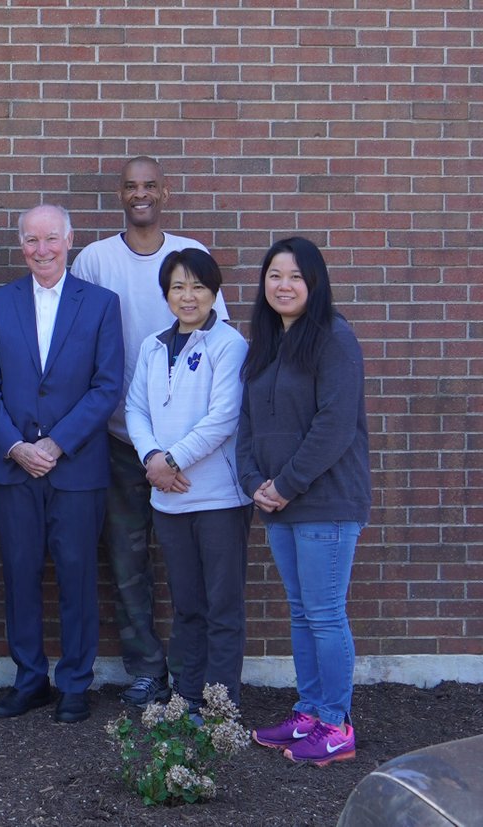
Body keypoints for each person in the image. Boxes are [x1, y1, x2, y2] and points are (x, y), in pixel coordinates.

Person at [69, 156, 229, 708]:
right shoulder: (94, 259)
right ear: (119, 194)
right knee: (127, 560)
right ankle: (145, 669)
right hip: (118, 439)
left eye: (150, 186)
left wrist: (177, 453)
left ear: (165, 192)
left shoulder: (193, 255)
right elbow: (75, 337)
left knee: (191, 570)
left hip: (189, 453)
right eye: (131, 187)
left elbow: (218, 344)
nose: (141, 195)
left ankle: (194, 677)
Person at [0, 205, 123, 724]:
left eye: (52, 239)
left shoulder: (101, 304)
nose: (42, 250)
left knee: (78, 575)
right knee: (20, 573)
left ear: (70, 240)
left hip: (76, 466)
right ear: (21, 245)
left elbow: (107, 386)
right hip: (13, 466)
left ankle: (75, 682)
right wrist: (16, 446)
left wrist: (56, 444)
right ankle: (30, 678)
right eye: (32, 240)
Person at [239, 237, 370, 766]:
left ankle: (336, 725)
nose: (284, 285)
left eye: (295, 276)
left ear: (314, 283)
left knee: (324, 614)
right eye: (274, 275)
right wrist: (254, 481)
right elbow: (246, 423)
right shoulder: (266, 343)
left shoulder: (334, 338)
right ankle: (310, 712)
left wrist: (285, 484)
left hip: (326, 503)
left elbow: (333, 427)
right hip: (278, 503)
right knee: (302, 614)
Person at [124, 249, 251, 715]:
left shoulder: (229, 344)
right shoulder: (153, 347)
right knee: (188, 607)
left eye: (198, 285)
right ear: (166, 294)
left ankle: (221, 706)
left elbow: (224, 417)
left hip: (219, 498)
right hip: (169, 501)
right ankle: (188, 696)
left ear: (214, 291)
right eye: (178, 286)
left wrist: (173, 459)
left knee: (222, 608)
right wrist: (153, 458)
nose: (188, 295)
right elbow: (135, 409)